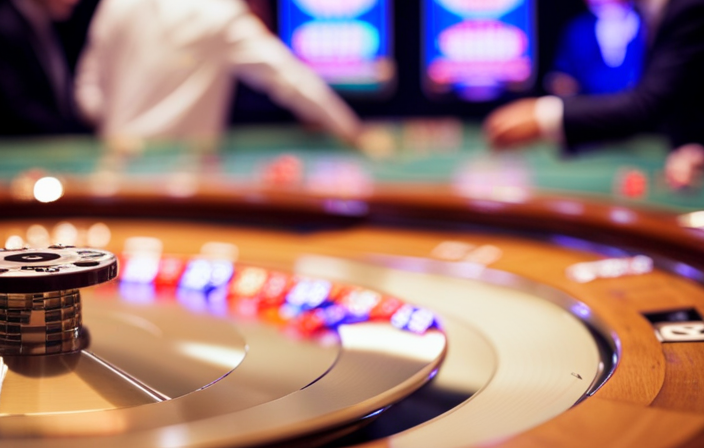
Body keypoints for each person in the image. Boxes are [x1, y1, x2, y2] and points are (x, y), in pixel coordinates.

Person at [74, 0, 367, 155]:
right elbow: (290, 79)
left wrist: (119, 128)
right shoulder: (216, 11)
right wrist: (353, 132)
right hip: (177, 182)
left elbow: (86, 95)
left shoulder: (114, 4)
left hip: (113, 172)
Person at [484, 0, 704, 189]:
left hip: (635, 134)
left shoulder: (674, 10)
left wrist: (543, 115)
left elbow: (648, 102)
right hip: (608, 128)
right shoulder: (580, 28)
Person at [0, 0, 83, 136]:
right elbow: (16, 111)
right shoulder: (6, 25)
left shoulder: (51, 22)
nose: (74, 1)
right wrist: (75, 134)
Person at [546, 0, 645, 96]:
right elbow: (561, 76)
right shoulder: (578, 31)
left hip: (638, 107)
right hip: (590, 108)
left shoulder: (647, 27)